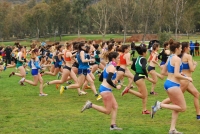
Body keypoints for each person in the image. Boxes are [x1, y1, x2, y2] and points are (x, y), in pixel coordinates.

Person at [151, 40, 192, 134]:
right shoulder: (177, 59)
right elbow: (177, 75)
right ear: (177, 49)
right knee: (182, 108)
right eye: (181, 48)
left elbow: (163, 72)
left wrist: (176, 74)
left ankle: (172, 129)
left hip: (168, 83)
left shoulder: (170, 57)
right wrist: (187, 78)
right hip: (173, 85)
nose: (181, 49)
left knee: (176, 107)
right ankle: (159, 105)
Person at [81, 51, 122, 130]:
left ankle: (113, 126)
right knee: (107, 111)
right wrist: (116, 86)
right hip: (106, 90)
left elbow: (101, 78)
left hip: (105, 89)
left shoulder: (108, 65)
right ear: (113, 59)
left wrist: (113, 80)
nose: (119, 59)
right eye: (118, 58)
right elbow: (109, 80)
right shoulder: (112, 67)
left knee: (115, 106)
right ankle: (90, 105)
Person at [162, 42, 200, 120]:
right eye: (189, 47)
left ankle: (198, 115)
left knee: (196, 94)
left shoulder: (178, 57)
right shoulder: (188, 56)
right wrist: (195, 64)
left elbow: (167, 70)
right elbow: (192, 69)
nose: (190, 48)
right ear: (185, 48)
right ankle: (159, 105)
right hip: (185, 80)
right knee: (174, 100)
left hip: (183, 80)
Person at [121, 46, 155, 114]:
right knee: (144, 95)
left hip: (137, 77)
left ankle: (144, 110)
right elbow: (143, 68)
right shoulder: (143, 59)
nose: (147, 53)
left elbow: (132, 67)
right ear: (143, 53)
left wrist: (139, 72)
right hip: (139, 78)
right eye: (146, 52)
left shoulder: (136, 58)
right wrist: (146, 75)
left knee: (144, 95)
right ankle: (128, 90)